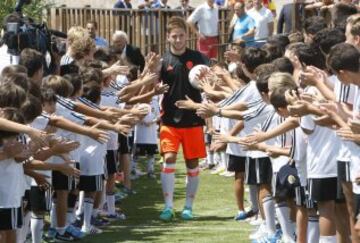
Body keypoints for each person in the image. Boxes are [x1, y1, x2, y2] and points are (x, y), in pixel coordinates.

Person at [158, 16, 209, 221]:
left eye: (181, 36)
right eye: (174, 36)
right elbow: (153, 85)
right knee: (168, 159)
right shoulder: (163, 61)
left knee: (191, 162)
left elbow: (209, 82)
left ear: (186, 36)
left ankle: (188, 207)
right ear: (168, 38)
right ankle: (168, 206)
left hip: (193, 119)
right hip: (169, 120)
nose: (178, 40)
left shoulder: (198, 58)